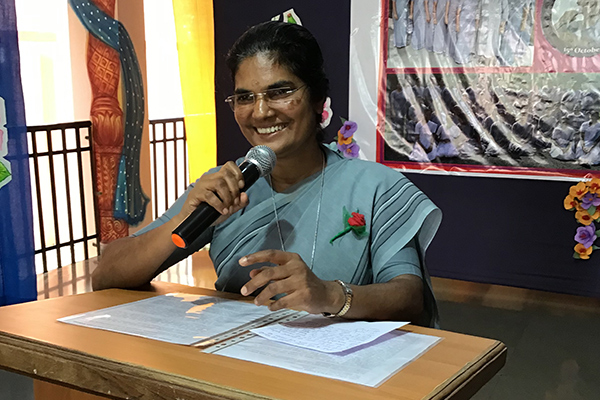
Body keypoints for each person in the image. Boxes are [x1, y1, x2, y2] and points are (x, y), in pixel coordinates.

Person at [92, 21, 442, 327]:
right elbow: (107, 274)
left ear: (318, 99)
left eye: (280, 92)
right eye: (245, 98)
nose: (260, 112)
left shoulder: (375, 186)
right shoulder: (227, 185)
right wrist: (184, 217)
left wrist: (329, 295)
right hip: (238, 359)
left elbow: (410, 297)